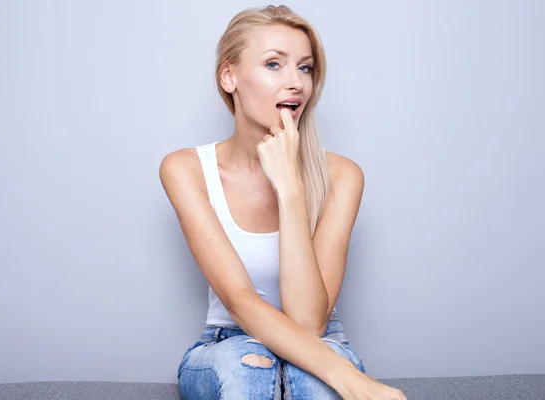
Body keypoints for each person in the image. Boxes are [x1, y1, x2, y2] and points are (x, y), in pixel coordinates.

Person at [159, 5, 407, 400]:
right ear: (230, 76)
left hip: (320, 340)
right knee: (247, 374)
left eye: (305, 68)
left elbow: (310, 324)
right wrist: (352, 380)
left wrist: (290, 190)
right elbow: (241, 302)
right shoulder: (186, 169)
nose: (296, 83)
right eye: (274, 64)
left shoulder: (343, 176)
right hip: (228, 340)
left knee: (313, 382)